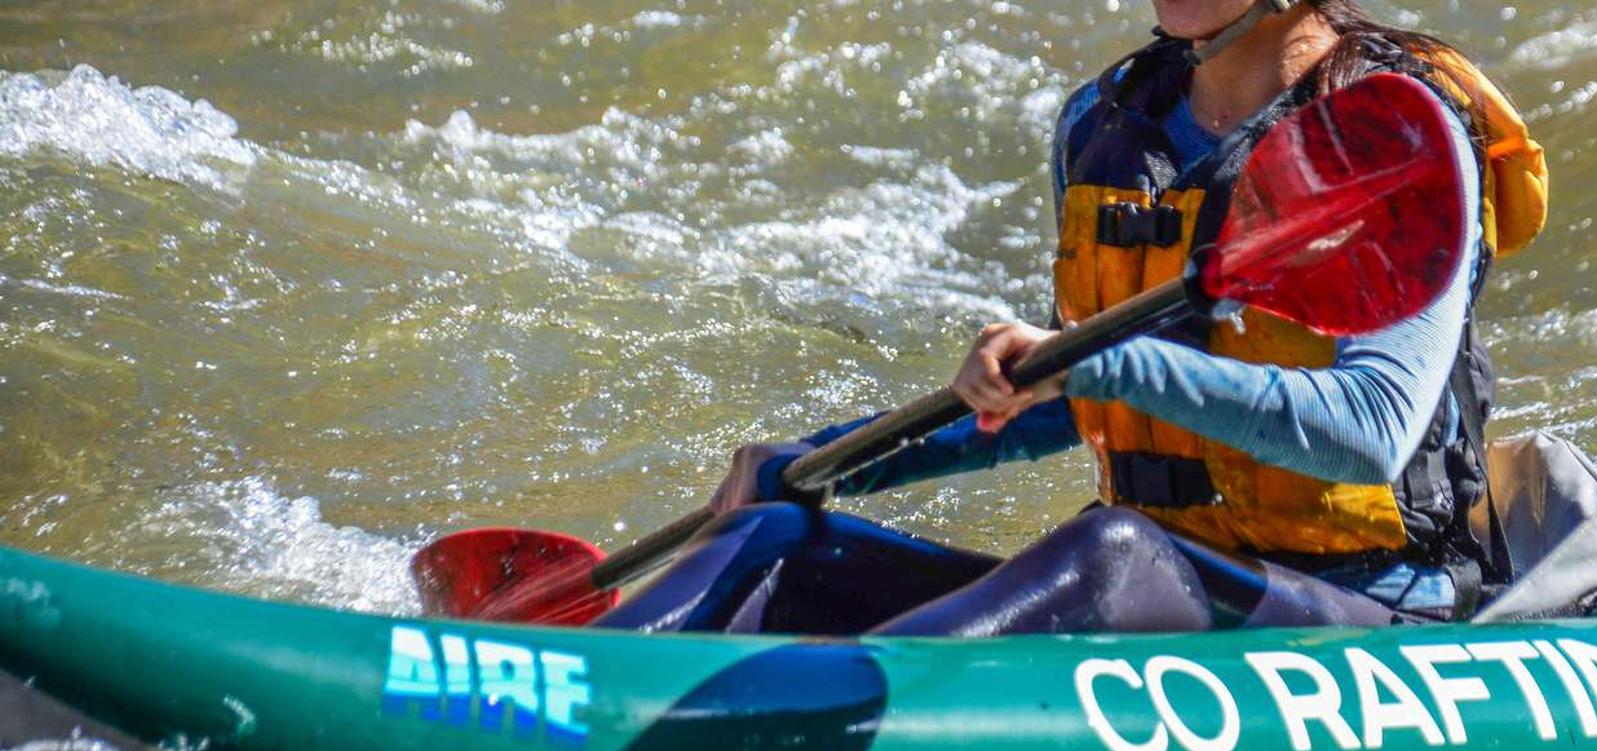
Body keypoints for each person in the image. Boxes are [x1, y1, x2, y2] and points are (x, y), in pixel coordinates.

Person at [598, 0, 1547, 636]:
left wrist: (1099, 366)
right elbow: (1067, 400)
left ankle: (782, 726)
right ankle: (553, 686)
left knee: (1107, 546)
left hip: (1367, 611)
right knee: (774, 547)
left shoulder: (1394, 136)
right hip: (1159, 585)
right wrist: (834, 461)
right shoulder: (1107, 126)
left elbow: (1372, 431)